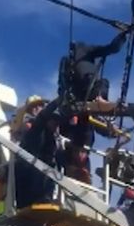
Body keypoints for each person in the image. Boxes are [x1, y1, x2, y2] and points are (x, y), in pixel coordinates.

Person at [58, 33, 127, 184]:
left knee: (101, 84)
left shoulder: (85, 53)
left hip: (87, 103)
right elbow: (62, 85)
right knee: (81, 122)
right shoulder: (70, 63)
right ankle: (74, 168)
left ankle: (99, 100)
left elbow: (110, 48)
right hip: (75, 111)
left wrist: (122, 36)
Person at [15, 99, 62, 208]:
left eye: (57, 122)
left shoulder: (52, 140)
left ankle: (46, 198)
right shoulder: (36, 130)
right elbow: (41, 118)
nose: (55, 124)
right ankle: (42, 198)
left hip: (36, 180)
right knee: (42, 166)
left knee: (51, 166)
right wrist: (58, 101)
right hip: (26, 178)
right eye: (53, 121)